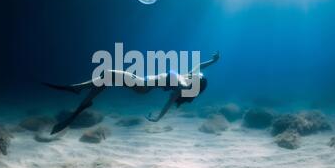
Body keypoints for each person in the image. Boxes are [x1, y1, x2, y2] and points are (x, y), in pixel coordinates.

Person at [44, 51, 220, 135]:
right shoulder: (187, 76)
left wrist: (159, 118)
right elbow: (200, 67)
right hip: (141, 81)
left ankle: (78, 88)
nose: (195, 72)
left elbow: (169, 102)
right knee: (105, 81)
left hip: (141, 86)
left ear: (194, 82)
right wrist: (212, 61)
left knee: (108, 74)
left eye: (196, 76)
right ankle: (81, 104)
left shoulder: (182, 84)